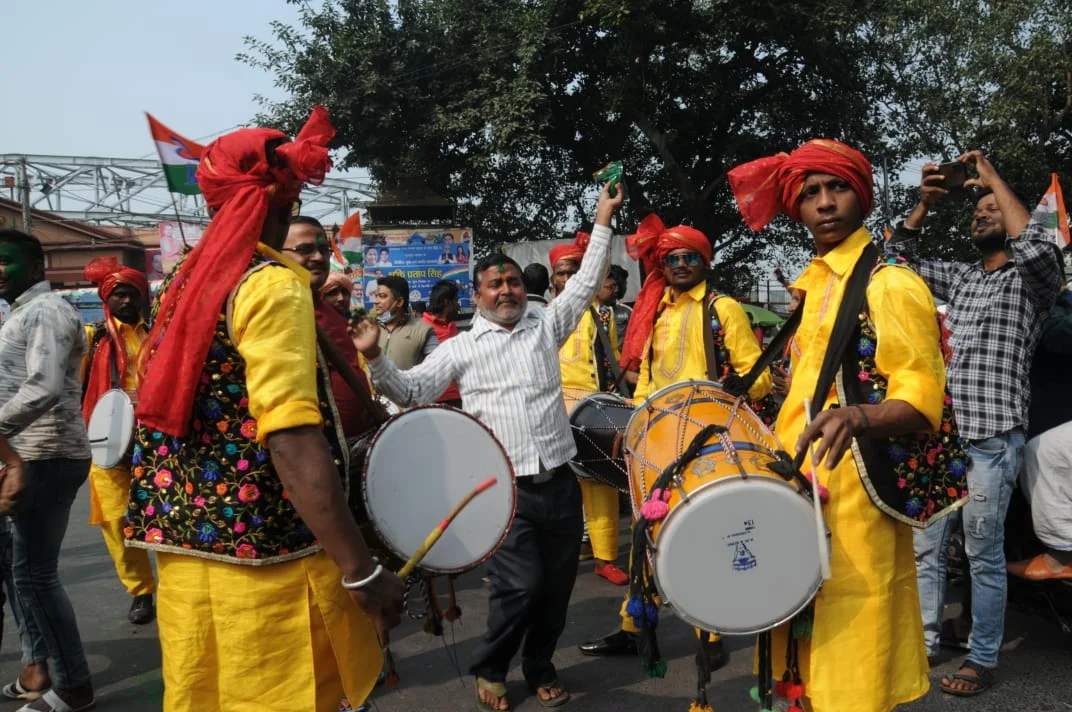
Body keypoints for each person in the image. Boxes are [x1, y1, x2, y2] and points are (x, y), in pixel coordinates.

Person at [124, 109, 403, 712]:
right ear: (288, 192)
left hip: (187, 559)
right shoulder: (270, 286)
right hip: (271, 573)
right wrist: (359, 570)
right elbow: (290, 440)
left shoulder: (183, 279)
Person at [352, 183, 624, 711]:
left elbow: (587, 280)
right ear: (476, 295)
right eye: (495, 284)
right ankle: (492, 668)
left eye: (514, 282)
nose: (506, 290)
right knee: (518, 589)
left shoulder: (547, 325)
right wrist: (375, 360)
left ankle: (540, 665)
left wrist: (604, 216)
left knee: (555, 591)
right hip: (505, 493)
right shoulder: (460, 350)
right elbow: (410, 393)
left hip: (560, 482)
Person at [724, 139, 945, 711]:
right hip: (797, 481)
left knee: (852, 640)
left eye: (837, 187)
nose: (825, 203)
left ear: (862, 196)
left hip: (856, 492)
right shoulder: (816, 281)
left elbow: (922, 401)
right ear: (795, 208)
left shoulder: (889, 282)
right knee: (797, 630)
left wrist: (858, 414)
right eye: (810, 193)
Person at [887, 152, 1065, 696]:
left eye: (992, 208)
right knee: (926, 547)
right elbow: (893, 260)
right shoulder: (961, 277)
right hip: (941, 438)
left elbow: (1039, 247)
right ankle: (923, 645)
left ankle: (983, 658)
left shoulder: (1034, 281)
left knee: (982, 552)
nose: (981, 214)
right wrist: (924, 204)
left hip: (992, 438)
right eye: (976, 210)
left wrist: (990, 174)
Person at [579, 213, 773, 664]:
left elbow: (756, 377)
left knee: (703, 535)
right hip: (657, 437)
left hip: (708, 438)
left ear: (705, 262)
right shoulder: (656, 309)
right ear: (662, 266)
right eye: (672, 258)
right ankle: (635, 626)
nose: (681, 264)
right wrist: (635, 426)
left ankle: (711, 635)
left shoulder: (721, 308)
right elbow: (646, 379)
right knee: (646, 535)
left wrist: (740, 386)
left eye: (690, 257)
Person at [0, 228, 95, 711]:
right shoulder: (17, 313)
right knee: (16, 570)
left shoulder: (49, 311)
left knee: (35, 574)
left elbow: (44, 387)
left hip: (47, 454)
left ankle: (74, 685)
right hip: (21, 454)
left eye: (5, 261)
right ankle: (38, 667)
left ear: (36, 268)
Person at [79, 257, 157, 626]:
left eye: (132, 294)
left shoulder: (160, 335)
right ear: (106, 300)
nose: (126, 301)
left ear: (143, 297)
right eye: (118, 295)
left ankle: (173, 586)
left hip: (157, 441)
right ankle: (141, 591)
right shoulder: (92, 340)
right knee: (116, 520)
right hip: (109, 443)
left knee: (168, 516)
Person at [549, 233, 627, 586]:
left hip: (591, 405)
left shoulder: (603, 314)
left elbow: (611, 360)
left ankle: (605, 557)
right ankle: (562, 550)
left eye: (574, 271)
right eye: (562, 273)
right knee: (553, 485)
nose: (567, 279)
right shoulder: (540, 316)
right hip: (551, 406)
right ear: (553, 278)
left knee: (599, 482)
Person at [284, 216, 377, 440]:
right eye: (305, 249)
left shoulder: (325, 309)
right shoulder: (281, 307)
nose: (317, 257)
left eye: (323, 249)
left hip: (356, 439)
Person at [372, 275, 438, 370]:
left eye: (382, 296)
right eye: (376, 296)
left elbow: (435, 370)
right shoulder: (369, 329)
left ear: (399, 302)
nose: (376, 301)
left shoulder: (425, 331)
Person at [421, 281, 462, 408]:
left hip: (459, 397)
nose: (458, 306)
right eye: (456, 301)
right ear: (447, 303)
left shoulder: (452, 326)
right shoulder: (422, 328)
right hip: (436, 401)